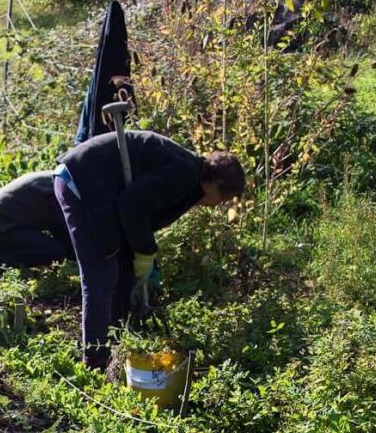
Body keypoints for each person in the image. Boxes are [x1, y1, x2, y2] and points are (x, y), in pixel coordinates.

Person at [53, 130, 245, 368]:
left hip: (100, 189)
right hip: (82, 182)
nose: (219, 205)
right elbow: (131, 206)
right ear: (213, 183)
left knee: (122, 268)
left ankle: (115, 344)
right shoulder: (184, 175)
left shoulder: (191, 177)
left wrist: (145, 256)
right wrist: (145, 250)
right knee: (101, 275)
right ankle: (94, 362)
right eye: (223, 198)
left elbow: (140, 213)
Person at [0, 170, 73, 268]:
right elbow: (66, 227)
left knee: (61, 248)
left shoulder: (63, 178)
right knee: (55, 251)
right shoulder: (62, 189)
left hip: (2, 221)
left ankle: (3, 252)